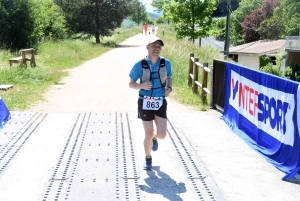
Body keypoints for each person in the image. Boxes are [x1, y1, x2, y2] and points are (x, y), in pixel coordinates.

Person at [129, 37, 173, 170]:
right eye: (154, 45)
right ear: (147, 47)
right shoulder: (139, 64)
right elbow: (131, 83)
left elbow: (169, 78)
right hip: (144, 102)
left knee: (162, 135)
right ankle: (148, 158)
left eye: (159, 46)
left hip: (160, 101)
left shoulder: (166, 63)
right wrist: (141, 85)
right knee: (147, 133)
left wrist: (169, 88)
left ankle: (154, 138)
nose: (157, 48)